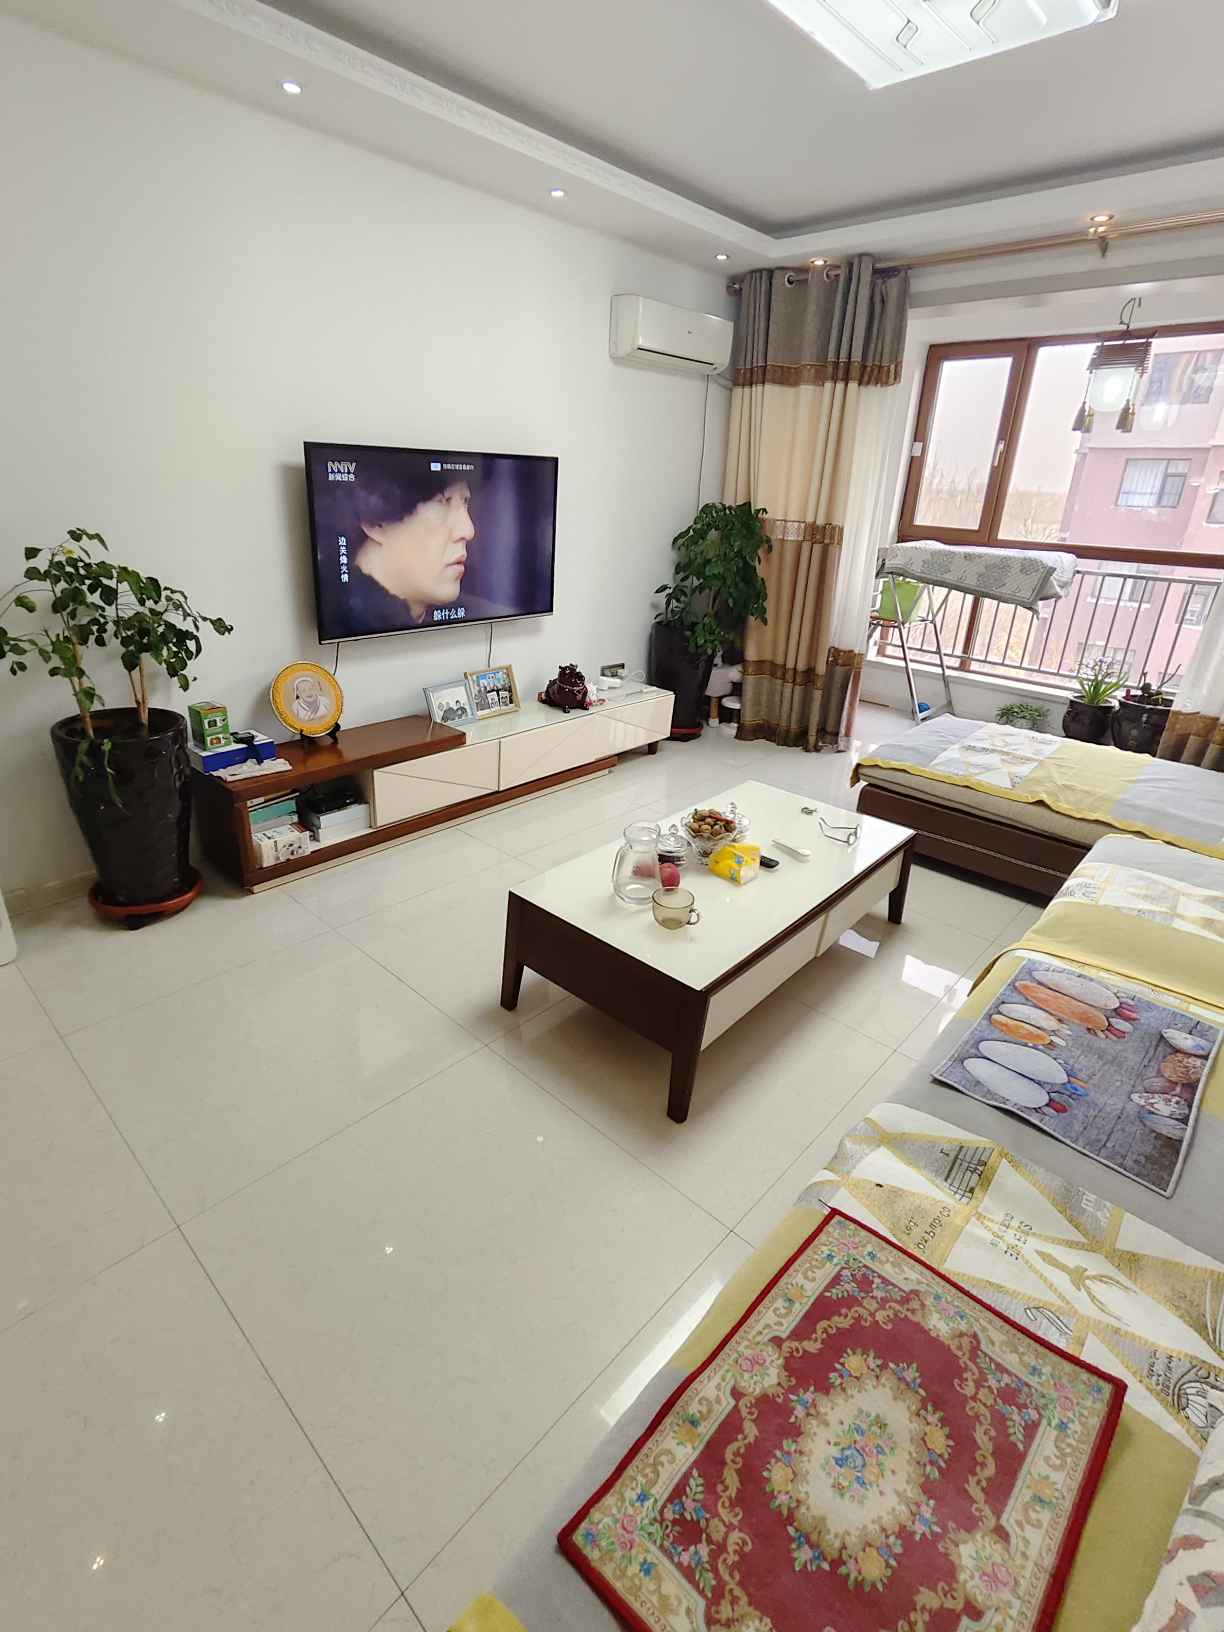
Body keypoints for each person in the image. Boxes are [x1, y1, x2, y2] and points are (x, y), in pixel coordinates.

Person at [313, 449, 511, 637]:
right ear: (376, 522)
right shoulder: (340, 617)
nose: (468, 531)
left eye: (465, 501)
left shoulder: (483, 611)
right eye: (443, 501)